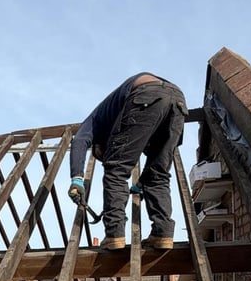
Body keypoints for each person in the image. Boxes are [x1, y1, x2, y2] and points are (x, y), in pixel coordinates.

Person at [68, 72, 187, 250]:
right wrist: (141, 183)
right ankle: (162, 234)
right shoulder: (117, 114)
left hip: (146, 94)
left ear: (100, 142)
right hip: (178, 101)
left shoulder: (97, 120)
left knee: (115, 170)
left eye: (102, 153)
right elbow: (157, 164)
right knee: (159, 174)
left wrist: (77, 179)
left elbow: (78, 140)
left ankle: (115, 235)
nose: (106, 154)